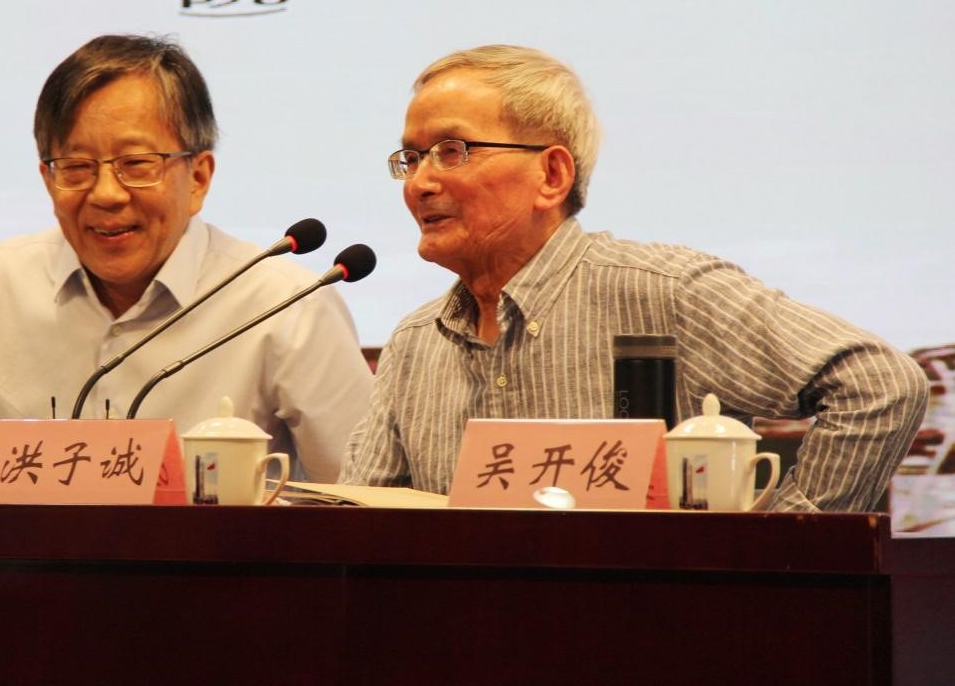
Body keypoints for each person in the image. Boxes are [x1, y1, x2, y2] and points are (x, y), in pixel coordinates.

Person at [339, 44, 927, 511]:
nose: (420, 184)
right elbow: (361, 513)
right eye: (411, 159)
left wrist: (780, 547)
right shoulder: (415, 343)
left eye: (452, 151)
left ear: (551, 175)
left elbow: (880, 384)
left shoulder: (668, 292)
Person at [0, 34, 372, 495]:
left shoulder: (287, 305)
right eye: (77, 167)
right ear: (48, 179)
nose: (106, 194)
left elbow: (361, 491)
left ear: (198, 177)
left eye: (136, 164)